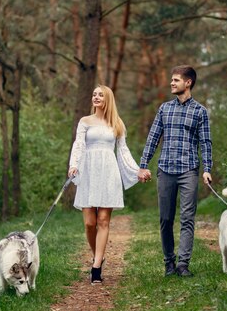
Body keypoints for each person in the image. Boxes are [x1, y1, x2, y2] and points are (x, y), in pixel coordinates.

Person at [137, 65, 213, 277]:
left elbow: (205, 143)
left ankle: (183, 264)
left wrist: (207, 169)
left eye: (176, 80)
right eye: (172, 80)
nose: (171, 83)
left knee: (187, 217)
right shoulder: (164, 109)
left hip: (188, 170)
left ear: (188, 83)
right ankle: (169, 263)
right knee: (166, 219)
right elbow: (153, 138)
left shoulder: (200, 112)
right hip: (165, 170)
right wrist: (143, 164)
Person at [68, 85, 139, 284]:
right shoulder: (85, 121)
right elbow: (79, 144)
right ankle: (97, 255)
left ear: (108, 99)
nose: (96, 97)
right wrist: (73, 165)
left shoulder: (117, 123)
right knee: (90, 223)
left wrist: (137, 171)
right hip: (88, 171)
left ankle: (96, 267)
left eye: (100, 95)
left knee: (103, 220)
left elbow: (123, 152)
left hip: (108, 172)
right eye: (94, 94)